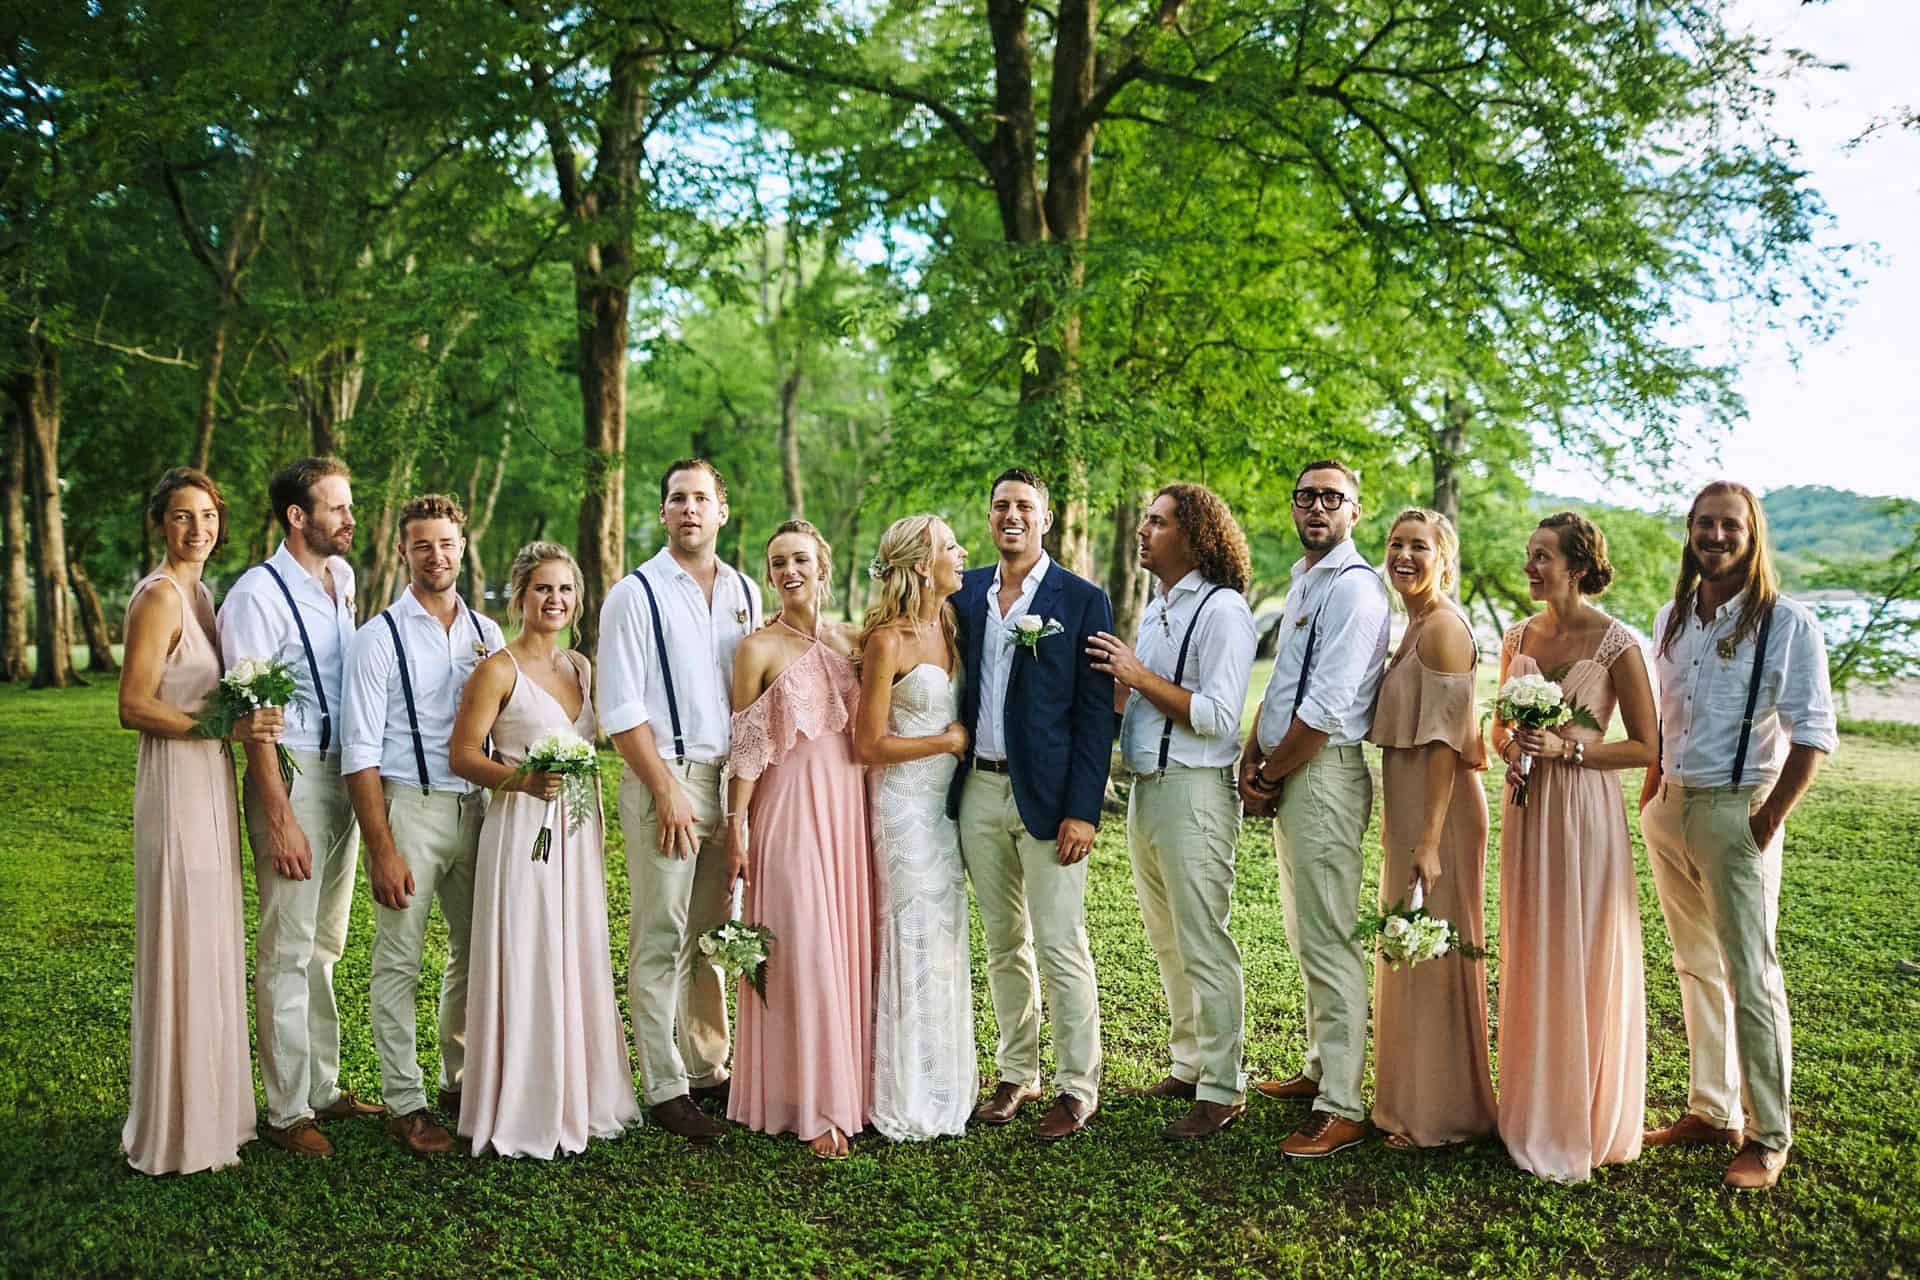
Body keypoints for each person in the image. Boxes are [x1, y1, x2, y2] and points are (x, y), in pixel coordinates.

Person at [1639, 481, 1836, 1191]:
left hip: (1739, 809)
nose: (1715, 536)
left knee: (1751, 976)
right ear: (1689, 532)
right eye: (1703, 524)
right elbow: (1664, 717)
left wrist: (1766, 819)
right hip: (1672, 808)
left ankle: (1768, 1134)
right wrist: (1653, 789)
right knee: (1695, 966)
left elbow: (1812, 734)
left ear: (1752, 536)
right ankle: (1711, 1110)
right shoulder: (1672, 619)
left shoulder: (1787, 622)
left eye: (1730, 525)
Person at [449, 541, 640, 1158]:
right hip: (522, 828)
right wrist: (521, 781)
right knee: (530, 952)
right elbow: (463, 754)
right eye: (542, 589)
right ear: (519, 597)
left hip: (578, 835)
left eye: (564, 590)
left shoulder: (581, 668)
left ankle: (580, 1092)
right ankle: (525, 1100)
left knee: (576, 948)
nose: (554, 600)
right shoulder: (497, 669)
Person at [217, 456, 380, 1158]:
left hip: (344, 773)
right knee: (287, 942)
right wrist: (278, 812)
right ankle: (286, 1111)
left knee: (325, 942)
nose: (350, 519)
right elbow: (252, 714)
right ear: (297, 517)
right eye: (337, 508)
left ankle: (322, 1085)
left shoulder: (341, 580)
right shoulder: (256, 594)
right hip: (292, 775)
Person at [598, 458, 763, 1142]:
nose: (689, 508)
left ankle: (708, 1069)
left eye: (701, 498)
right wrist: (664, 788)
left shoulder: (746, 592)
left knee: (710, 933)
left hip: (730, 780)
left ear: (722, 511)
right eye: (676, 498)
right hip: (663, 774)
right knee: (660, 934)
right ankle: (665, 1086)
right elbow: (620, 705)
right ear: (662, 513)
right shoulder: (634, 593)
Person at [1086, 483, 1257, 1140]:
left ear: (1192, 535)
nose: (1143, 531)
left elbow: (1215, 717)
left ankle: (1223, 1086)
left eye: (1156, 523)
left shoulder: (1224, 612)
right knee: (1165, 937)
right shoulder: (1158, 610)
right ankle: (1189, 1061)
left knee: (1203, 939)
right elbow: (1145, 703)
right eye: (1146, 521)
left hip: (1196, 791)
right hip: (1148, 790)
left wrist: (1135, 674)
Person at [1492, 511, 1657, 1184]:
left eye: (1542, 557)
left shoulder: (1618, 644)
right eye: (1528, 555)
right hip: (1527, 809)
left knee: (1581, 949)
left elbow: (1649, 748)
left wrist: (1568, 748)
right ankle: (1531, 1109)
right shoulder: (1515, 637)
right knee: (1532, 946)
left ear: (1579, 567)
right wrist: (1511, 748)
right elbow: (1497, 726)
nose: (1530, 567)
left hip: (1585, 812)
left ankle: (1584, 1117)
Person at [951, 468, 1116, 1140]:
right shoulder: (961, 594)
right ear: (988, 518)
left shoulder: (1081, 599)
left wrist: (1084, 808)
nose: (1010, 516)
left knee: (1060, 942)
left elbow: (1094, 712)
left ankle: (1080, 1087)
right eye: (999, 507)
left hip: (1051, 800)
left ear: (1046, 518)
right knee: (1002, 943)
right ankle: (1018, 1073)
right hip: (978, 790)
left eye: (1023, 506)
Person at [118, 467, 274, 1174]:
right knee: (182, 936)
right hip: (177, 784)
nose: (198, 529)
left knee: (210, 939)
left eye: (208, 516)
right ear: (160, 524)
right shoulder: (158, 597)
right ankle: (177, 1125)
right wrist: (222, 728)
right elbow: (133, 705)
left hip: (208, 777)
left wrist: (243, 722)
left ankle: (214, 1108)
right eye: (183, 516)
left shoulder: (203, 594)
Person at [341, 493, 505, 1155]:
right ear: (403, 551)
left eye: (447, 543)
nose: (436, 556)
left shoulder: (488, 635)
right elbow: (360, 752)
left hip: (481, 809)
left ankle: (459, 1080)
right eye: (422, 545)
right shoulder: (377, 637)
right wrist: (381, 848)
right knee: (399, 960)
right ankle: (405, 1102)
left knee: (477, 951)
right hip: (410, 808)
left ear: (463, 546)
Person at [1239, 460, 1390, 1159]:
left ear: (1356, 512)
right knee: (1305, 931)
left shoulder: (1356, 591)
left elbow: (1326, 710)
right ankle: (1320, 1069)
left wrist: (1269, 774)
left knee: (1330, 938)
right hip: (1289, 766)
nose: (1318, 507)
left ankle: (1343, 1106)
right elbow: (1281, 691)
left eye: (1333, 498)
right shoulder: (1306, 581)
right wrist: (1252, 753)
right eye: (1307, 497)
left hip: (1322, 774)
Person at [723, 521, 874, 1159]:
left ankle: (853, 1091)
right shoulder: (756, 649)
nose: (790, 570)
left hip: (848, 816)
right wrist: (737, 826)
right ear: (768, 573)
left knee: (844, 950)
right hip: (786, 814)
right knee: (802, 951)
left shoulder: (858, 641)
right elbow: (745, 751)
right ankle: (816, 1106)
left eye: (801, 559)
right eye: (778, 561)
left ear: (824, 565)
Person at [1364, 509, 1496, 1150]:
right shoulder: (1411, 624)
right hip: (1410, 809)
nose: (1404, 556)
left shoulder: (1443, 628)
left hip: (1438, 814)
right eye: (1395, 544)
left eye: (1419, 545)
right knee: (1407, 951)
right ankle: (1407, 1101)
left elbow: (1446, 741)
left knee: (1437, 956)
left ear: (1444, 557)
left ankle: (1445, 1116)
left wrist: (1427, 839)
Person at [856, 515, 978, 1142]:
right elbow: (868, 743)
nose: (963, 554)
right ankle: (897, 1090)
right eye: (951, 546)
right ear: (922, 564)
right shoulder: (889, 640)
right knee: (908, 939)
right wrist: (946, 740)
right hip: (901, 809)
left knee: (943, 936)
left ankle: (941, 1083)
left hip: (943, 812)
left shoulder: (951, 624)